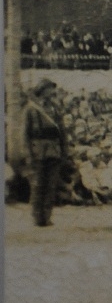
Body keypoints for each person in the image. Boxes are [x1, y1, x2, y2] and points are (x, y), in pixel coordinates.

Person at [22, 79, 68, 226]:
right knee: (38, 185)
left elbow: (62, 132)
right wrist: (28, 155)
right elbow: (25, 135)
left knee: (51, 186)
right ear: (42, 90)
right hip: (38, 151)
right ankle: (37, 217)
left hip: (53, 151)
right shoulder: (30, 109)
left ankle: (46, 217)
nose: (52, 92)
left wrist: (64, 151)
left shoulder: (55, 108)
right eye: (49, 89)